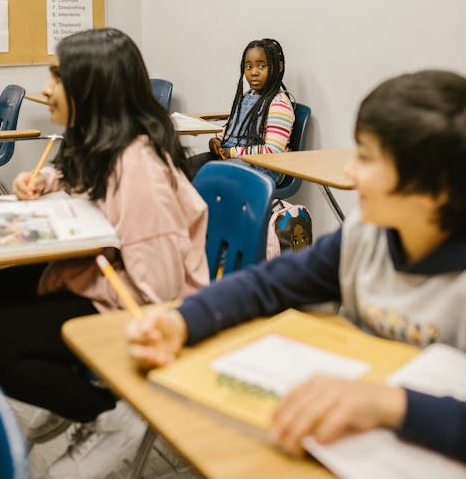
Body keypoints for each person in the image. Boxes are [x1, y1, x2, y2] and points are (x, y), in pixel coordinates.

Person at [127, 69, 466, 464]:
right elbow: (269, 284)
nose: (351, 172)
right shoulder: (365, 236)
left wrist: (391, 404)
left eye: (368, 159)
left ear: (436, 190)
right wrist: (183, 321)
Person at [0, 28, 209, 479]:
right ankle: (72, 393)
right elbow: (87, 189)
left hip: (132, 309)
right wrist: (46, 184)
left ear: (92, 87)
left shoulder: (140, 167)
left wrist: (68, 267)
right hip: (89, 275)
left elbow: (157, 291)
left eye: (58, 76)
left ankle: (108, 410)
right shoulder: (100, 143)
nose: (45, 87)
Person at [190, 38, 295, 180]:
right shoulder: (245, 98)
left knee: (213, 177)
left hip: (265, 165)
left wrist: (232, 153)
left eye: (262, 66)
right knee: (184, 169)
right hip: (235, 157)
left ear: (279, 67)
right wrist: (216, 141)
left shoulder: (279, 104)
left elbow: (271, 151)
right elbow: (230, 129)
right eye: (249, 67)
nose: (254, 72)